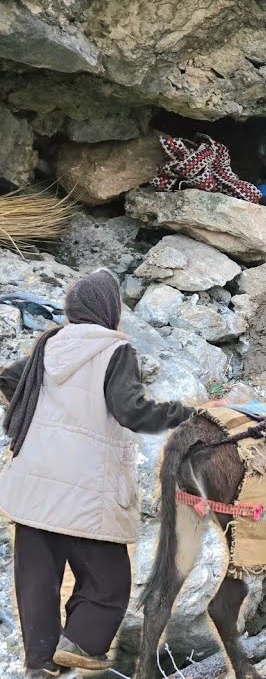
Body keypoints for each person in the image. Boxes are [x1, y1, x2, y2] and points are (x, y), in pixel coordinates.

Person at [0, 270, 196, 678]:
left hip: (33, 483)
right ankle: (82, 645)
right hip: (86, 485)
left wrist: (44, 415)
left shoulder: (47, 345)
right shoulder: (114, 349)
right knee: (109, 585)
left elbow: (9, 378)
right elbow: (132, 411)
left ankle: (39, 664)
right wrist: (184, 414)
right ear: (109, 310)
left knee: (37, 582)